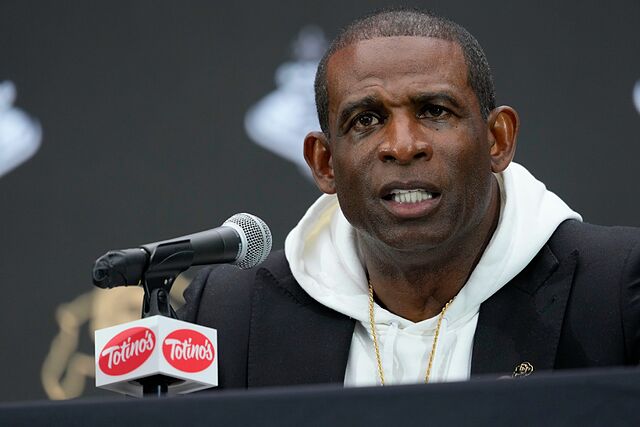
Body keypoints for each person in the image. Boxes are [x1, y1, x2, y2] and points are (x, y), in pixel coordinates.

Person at [178, 9, 640, 388]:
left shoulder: (616, 290)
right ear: (324, 163)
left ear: (497, 140)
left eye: (435, 111)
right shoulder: (229, 315)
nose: (402, 145)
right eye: (366, 119)